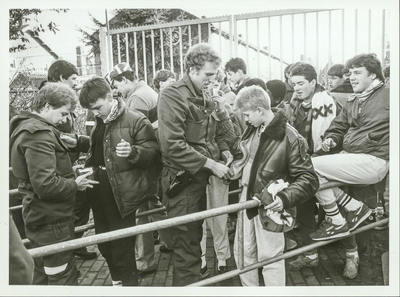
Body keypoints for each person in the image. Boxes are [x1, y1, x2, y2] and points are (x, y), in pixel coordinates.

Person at [157, 43, 234, 286]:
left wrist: (223, 148)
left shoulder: (205, 93)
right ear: (192, 69)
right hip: (183, 182)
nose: (214, 80)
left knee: (193, 238)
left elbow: (221, 135)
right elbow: (171, 144)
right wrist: (212, 164)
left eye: (215, 74)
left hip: (199, 180)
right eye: (209, 75)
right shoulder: (172, 94)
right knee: (186, 246)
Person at [310, 53, 389, 279]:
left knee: (309, 168)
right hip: (358, 158)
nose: (351, 77)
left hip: (375, 160)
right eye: (350, 73)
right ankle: (350, 209)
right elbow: (338, 126)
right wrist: (332, 139)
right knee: (310, 172)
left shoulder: (390, 96)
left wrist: (366, 142)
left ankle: (340, 217)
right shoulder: (353, 100)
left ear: (372, 74)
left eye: (357, 73)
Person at [9, 82, 98, 285]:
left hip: (42, 217)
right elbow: (46, 184)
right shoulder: (38, 135)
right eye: (64, 113)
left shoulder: (26, 127)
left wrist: (68, 173)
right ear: (47, 106)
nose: (65, 119)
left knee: (41, 275)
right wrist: (74, 184)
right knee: (62, 277)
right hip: (51, 220)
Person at [230, 85, 319, 286]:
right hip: (248, 197)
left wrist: (284, 198)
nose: (245, 120)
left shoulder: (290, 137)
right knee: (244, 251)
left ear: (260, 110)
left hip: (269, 204)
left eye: (247, 114)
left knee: (271, 256)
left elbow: (309, 178)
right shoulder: (254, 128)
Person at [77, 76, 162, 286]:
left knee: (122, 248)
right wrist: (84, 154)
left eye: (97, 107)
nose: (95, 113)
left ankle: (128, 285)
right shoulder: (100, 119)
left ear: (109, 96)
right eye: (92, 109)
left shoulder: (135, 119)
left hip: (122, 193)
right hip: (99, 190)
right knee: (104, 244)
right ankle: (117, 283)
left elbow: (154, 154)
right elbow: (100, 150)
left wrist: (133, 152)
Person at [286, 62, 342, 273]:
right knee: (304, 211)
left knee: (337, 210)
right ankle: (310, 255)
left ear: (313, 82)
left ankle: (351, 255)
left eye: (301, 83)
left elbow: (336, 134)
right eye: (293, 84)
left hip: (325, 163)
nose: (297, 88)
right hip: (302, 165)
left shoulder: (327, 102)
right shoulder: (295, 104)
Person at [107, 64, 163, 275]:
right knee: (153, 206)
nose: (117, 91)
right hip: (151, 159)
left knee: (141, 212)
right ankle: (173, 240)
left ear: (123, 80)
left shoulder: (137, 99)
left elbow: (132, 134)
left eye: (116, 85)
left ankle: (144, 261)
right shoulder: (146, 90)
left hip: (141, 163)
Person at [47, 60, 97, 260]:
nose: (76, 83)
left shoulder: (56, 98)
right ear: (61, 78)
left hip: (69, 161)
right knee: (76, 205)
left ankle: (74, 243)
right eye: (73, 79)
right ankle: (71, 245)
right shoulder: (53, 99)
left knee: (78, 205)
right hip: (63, 165)